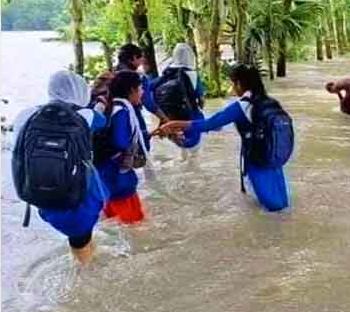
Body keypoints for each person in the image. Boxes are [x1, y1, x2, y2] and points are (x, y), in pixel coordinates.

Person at [157, 64, 291, 212]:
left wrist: (173, 124)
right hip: (274, 156)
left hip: (257, 159)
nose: (233, 88)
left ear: (239, 83)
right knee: (281, 205)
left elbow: (209, 124)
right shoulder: (269, 102)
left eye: (233, 83)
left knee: (272, 209)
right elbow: (217, 125)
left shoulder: (242, 106)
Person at [12, 70, 108, 263]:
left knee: (78, 240)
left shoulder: (25, 115)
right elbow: (101, 120)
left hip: (39, 194)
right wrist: (100, 104)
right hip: (78, 197)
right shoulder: (85, 115)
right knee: (81, 245)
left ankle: (82, 260)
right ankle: (85, 277)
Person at [94, 70, 152, 223]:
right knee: (134, 225)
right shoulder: (122, 111)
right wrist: (134, 147)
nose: (143, 91)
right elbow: (121, 142)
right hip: (118, 178)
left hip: (106, 175)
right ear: (132, 91)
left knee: (113, 221)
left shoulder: (110, 106)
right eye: (140, 88)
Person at [152, 43, 205, 151]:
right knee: (194, 148)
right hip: (189, 114)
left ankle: (178, 144)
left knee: (182, 145)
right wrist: (199, 109)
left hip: (170, 116)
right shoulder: (193, 75)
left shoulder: (166, 73)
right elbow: (201, 100)